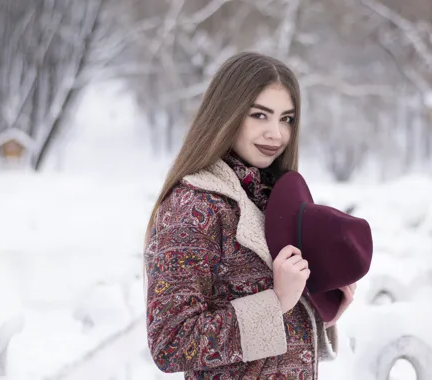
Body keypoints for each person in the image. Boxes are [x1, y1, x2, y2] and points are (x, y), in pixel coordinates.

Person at [144, 51, 356, 379]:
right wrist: (277, 301)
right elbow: (171, 342)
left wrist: (319, 310)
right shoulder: (193, 207)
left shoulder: (273, 199)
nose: (277, 133)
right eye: (260, 115)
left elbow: (268, 335)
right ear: (227, 114)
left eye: (287, 118)